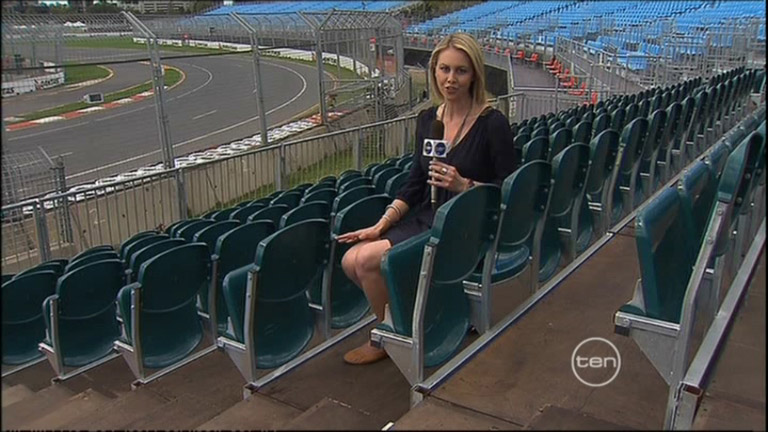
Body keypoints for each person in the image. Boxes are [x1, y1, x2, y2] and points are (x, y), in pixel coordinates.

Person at [337, 32, 518, 365]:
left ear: (474, 75)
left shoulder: (492, 123)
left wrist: (464, 184)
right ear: (434, 71)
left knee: (365, 262)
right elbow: (415, 182)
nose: (451, 79)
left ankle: (390, 336)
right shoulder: (427, 121)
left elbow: (508, 188)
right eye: (444, 69)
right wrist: (381, 224)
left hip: (465, 223)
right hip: (427, 216)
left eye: (461, 71)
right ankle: (408, 323)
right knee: (350, 260)